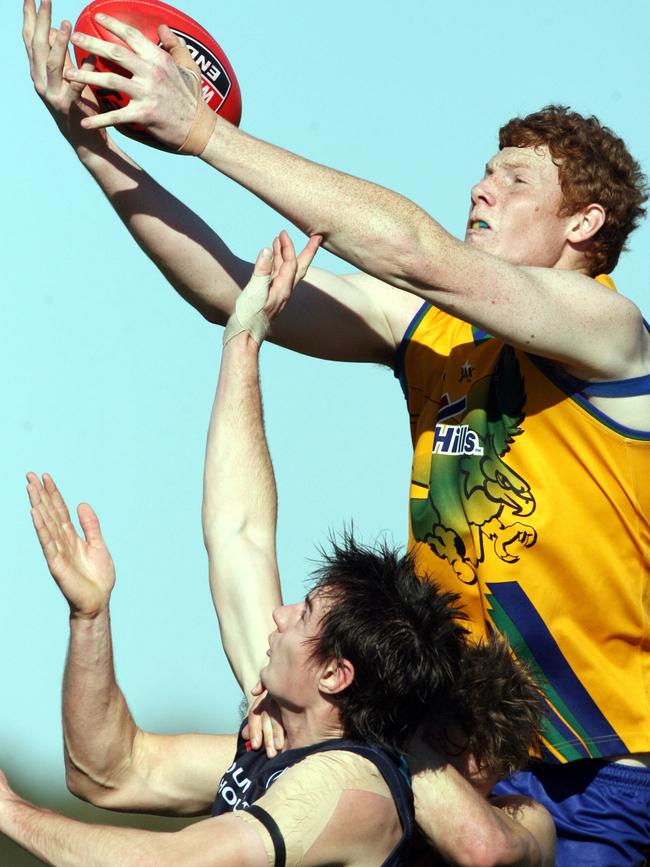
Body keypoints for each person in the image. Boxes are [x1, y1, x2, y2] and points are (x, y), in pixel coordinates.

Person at [23, 0, 650, 861]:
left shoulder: (610, 334)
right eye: (484, 170)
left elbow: (417, 252)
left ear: (583, 226)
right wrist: (93, 144)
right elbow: (235, 291)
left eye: (513, 180)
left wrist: (205, 131)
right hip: (454, 745)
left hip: (603, 767)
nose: (481, 187)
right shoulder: (432, 332)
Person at [1, 236, 554, 866]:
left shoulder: (355, 785)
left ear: (336, 674)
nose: (282, 613)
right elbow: (108, 771)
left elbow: (178, 863)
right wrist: (90, 617)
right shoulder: (286, 743)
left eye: (306, 613)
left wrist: (11, 814)